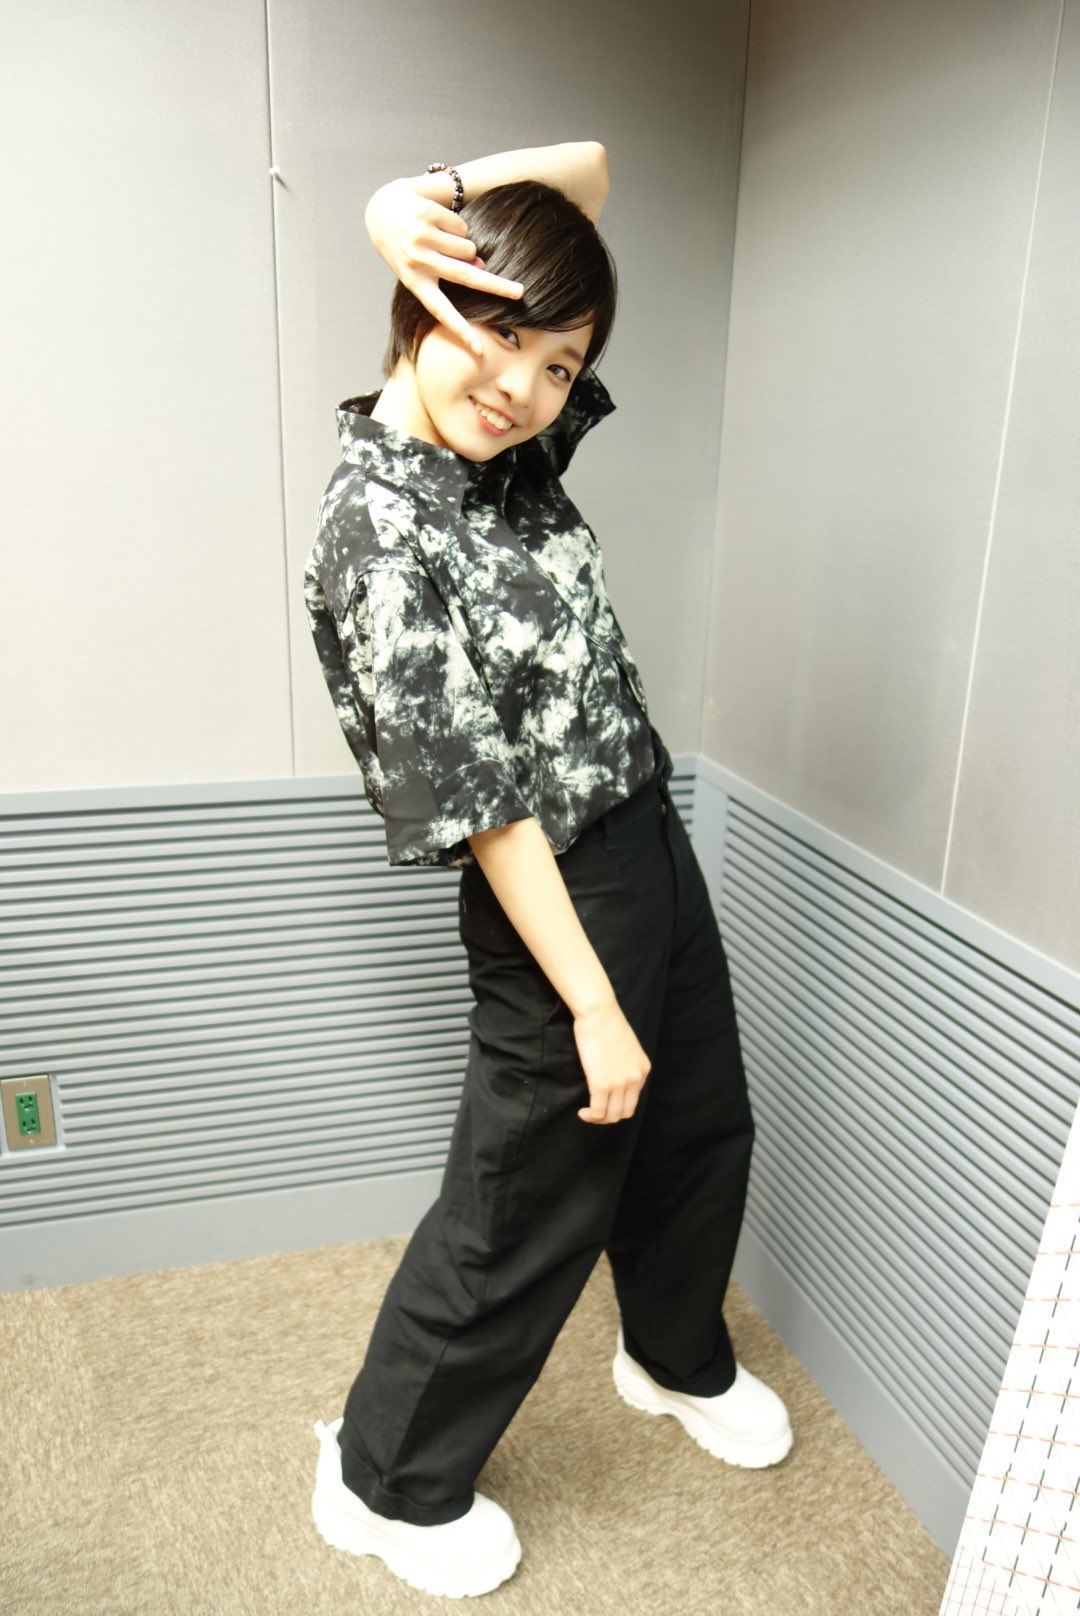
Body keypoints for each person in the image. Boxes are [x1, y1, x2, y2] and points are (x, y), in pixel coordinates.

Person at [305, 142, 793, 1600]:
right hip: (551, 890)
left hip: (644, 828)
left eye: (560, 363)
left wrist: (422, 189)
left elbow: (590, 168)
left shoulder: (509, 454)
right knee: (526, 1200)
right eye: (496, 333)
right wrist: (590, 1002)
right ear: (425, 304)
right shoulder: (376, 528)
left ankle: (672, 1357)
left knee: (700, 1124)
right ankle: (384, 1480)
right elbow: (489, 812)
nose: (521, 385)